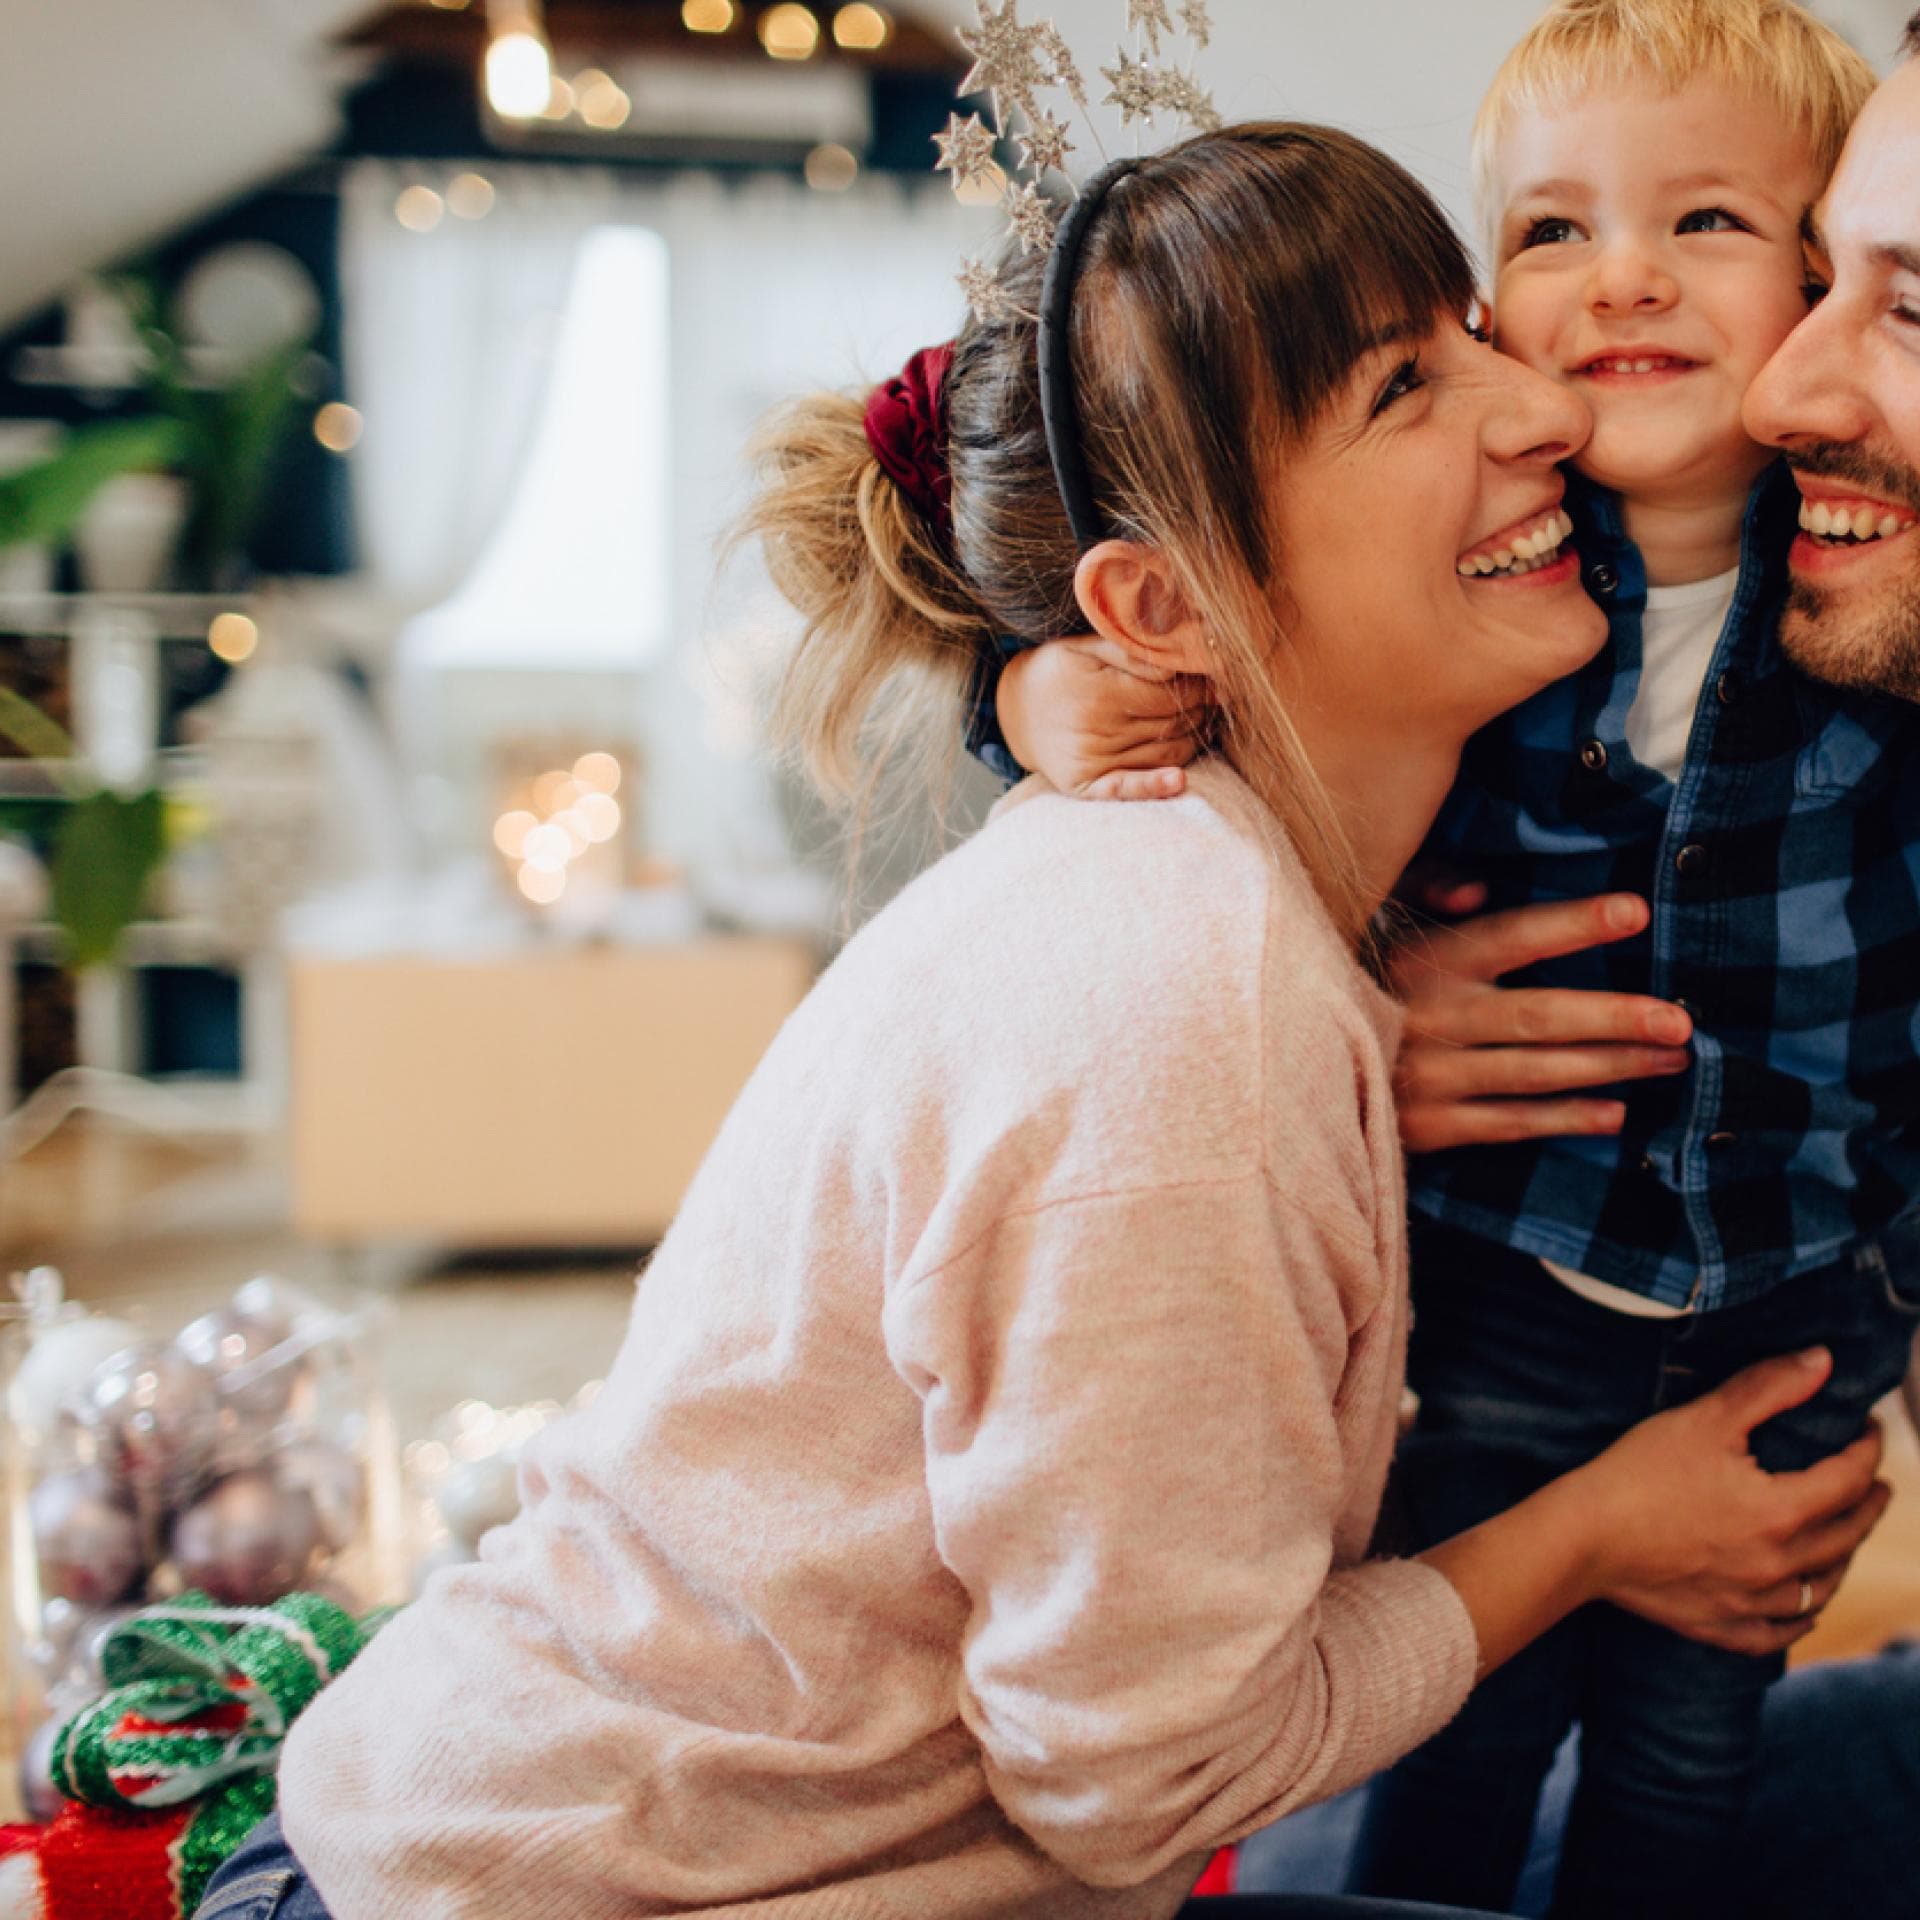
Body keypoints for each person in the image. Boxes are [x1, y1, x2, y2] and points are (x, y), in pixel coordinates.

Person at [203, 126, 1888, 1920]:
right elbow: (1142, 1778)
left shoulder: (1238, 883)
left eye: (1476, 331)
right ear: (1161, 611)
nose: (1537, 408)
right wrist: (1605, 1529)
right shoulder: (1179, 996)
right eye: (1408, 388)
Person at [985, 6, 1920, 1915]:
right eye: (1552, 233)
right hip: (1518, 1267)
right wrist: (1035, 694)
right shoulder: (1480, 548)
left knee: (1692, 1748)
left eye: (1715, 224)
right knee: (1453, 1717)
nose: (1625, 278)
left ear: (1812, 279)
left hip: (1801, 1293)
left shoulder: (1858, 569)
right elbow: (1208, 633)